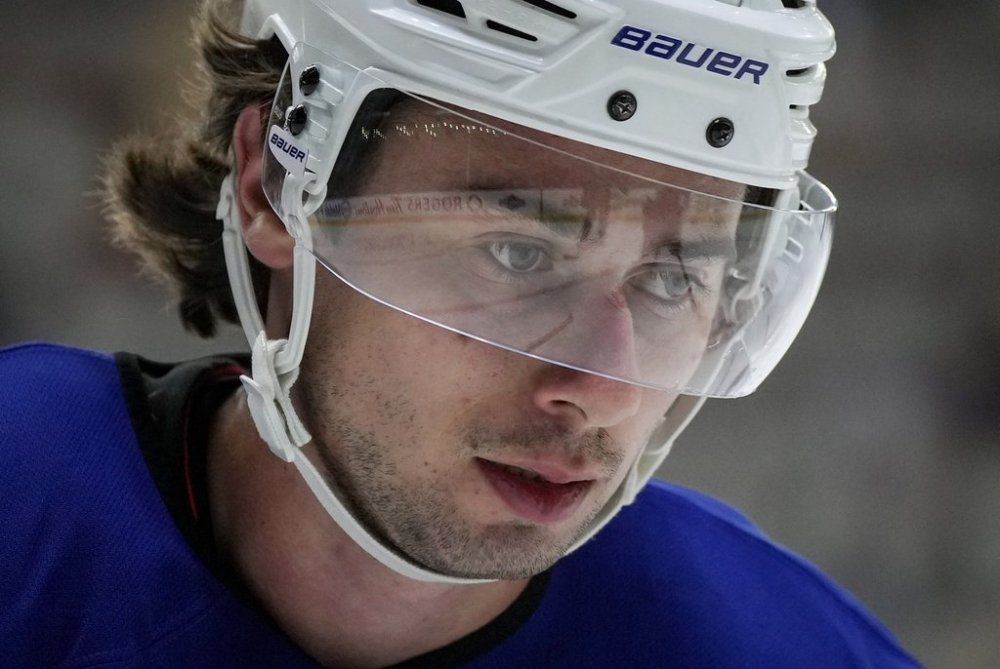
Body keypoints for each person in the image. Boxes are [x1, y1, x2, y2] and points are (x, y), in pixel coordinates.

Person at [0, 0, 920, 666]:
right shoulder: (27, 500)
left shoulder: (778, 644)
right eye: (518, 254)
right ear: (271, 186)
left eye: (675, 278)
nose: (601, 386)